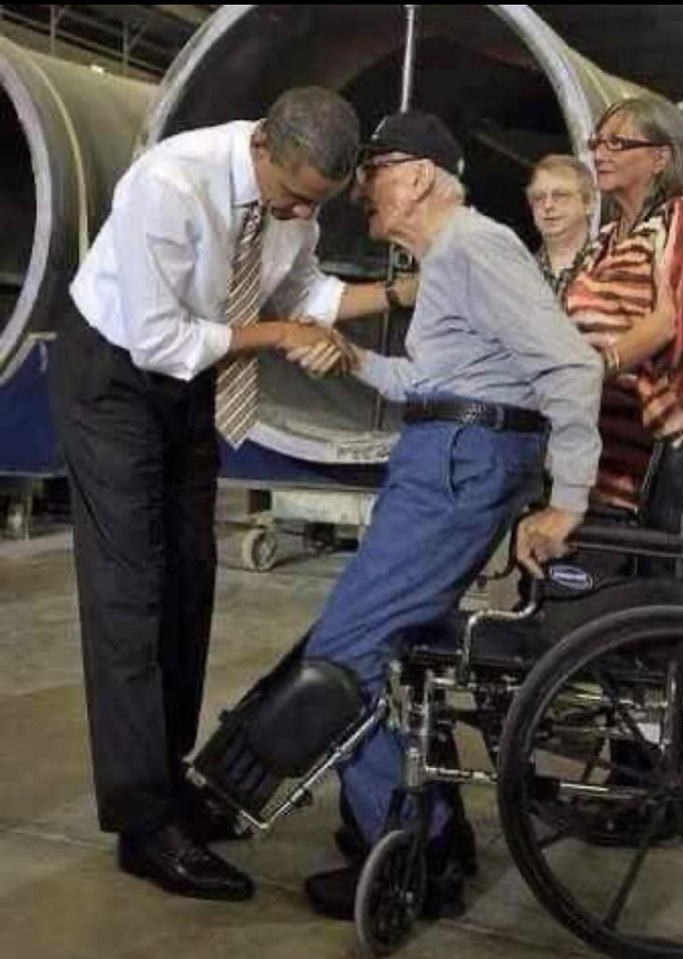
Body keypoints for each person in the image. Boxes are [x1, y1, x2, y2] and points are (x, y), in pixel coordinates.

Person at [49, 86, 418, 903]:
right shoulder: (170, 183)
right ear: (262, 146)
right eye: (289, 195)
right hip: (114, 375)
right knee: (130, 594)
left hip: (192, 383)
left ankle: (169, 783)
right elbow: (159, 336)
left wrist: (402, 292)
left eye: (314, 203)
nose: (297, 211)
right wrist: (282, 336)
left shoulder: (297, 203)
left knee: (190, 580)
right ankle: (144, 825)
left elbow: (305, 295)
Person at [277, 110, 603, 918]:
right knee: (373, 647)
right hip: (444, 457)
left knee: (343, 656)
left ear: (420, 174)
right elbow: (433, 383)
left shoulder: (475, 245)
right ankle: (414, 825)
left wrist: (568, 499)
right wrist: (351, 358)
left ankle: (416, 848)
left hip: (458, 468)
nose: (362, 192)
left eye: (375, 170)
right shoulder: (452, 258)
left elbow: (569, 367)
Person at [565, 96, 683, 511]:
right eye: (596, 143)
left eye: (617, 144)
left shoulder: (679, 217)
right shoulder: (602, 240)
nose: (600, 154)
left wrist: (594, 368)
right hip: (601, 457)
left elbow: (668, 322)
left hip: (666, 449)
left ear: (661, 157)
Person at [526, 154, 596, 302]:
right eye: (538, 197)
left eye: (560, 195)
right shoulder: (518, 273)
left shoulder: (611, 266)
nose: (548, 205)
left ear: (589, 203)